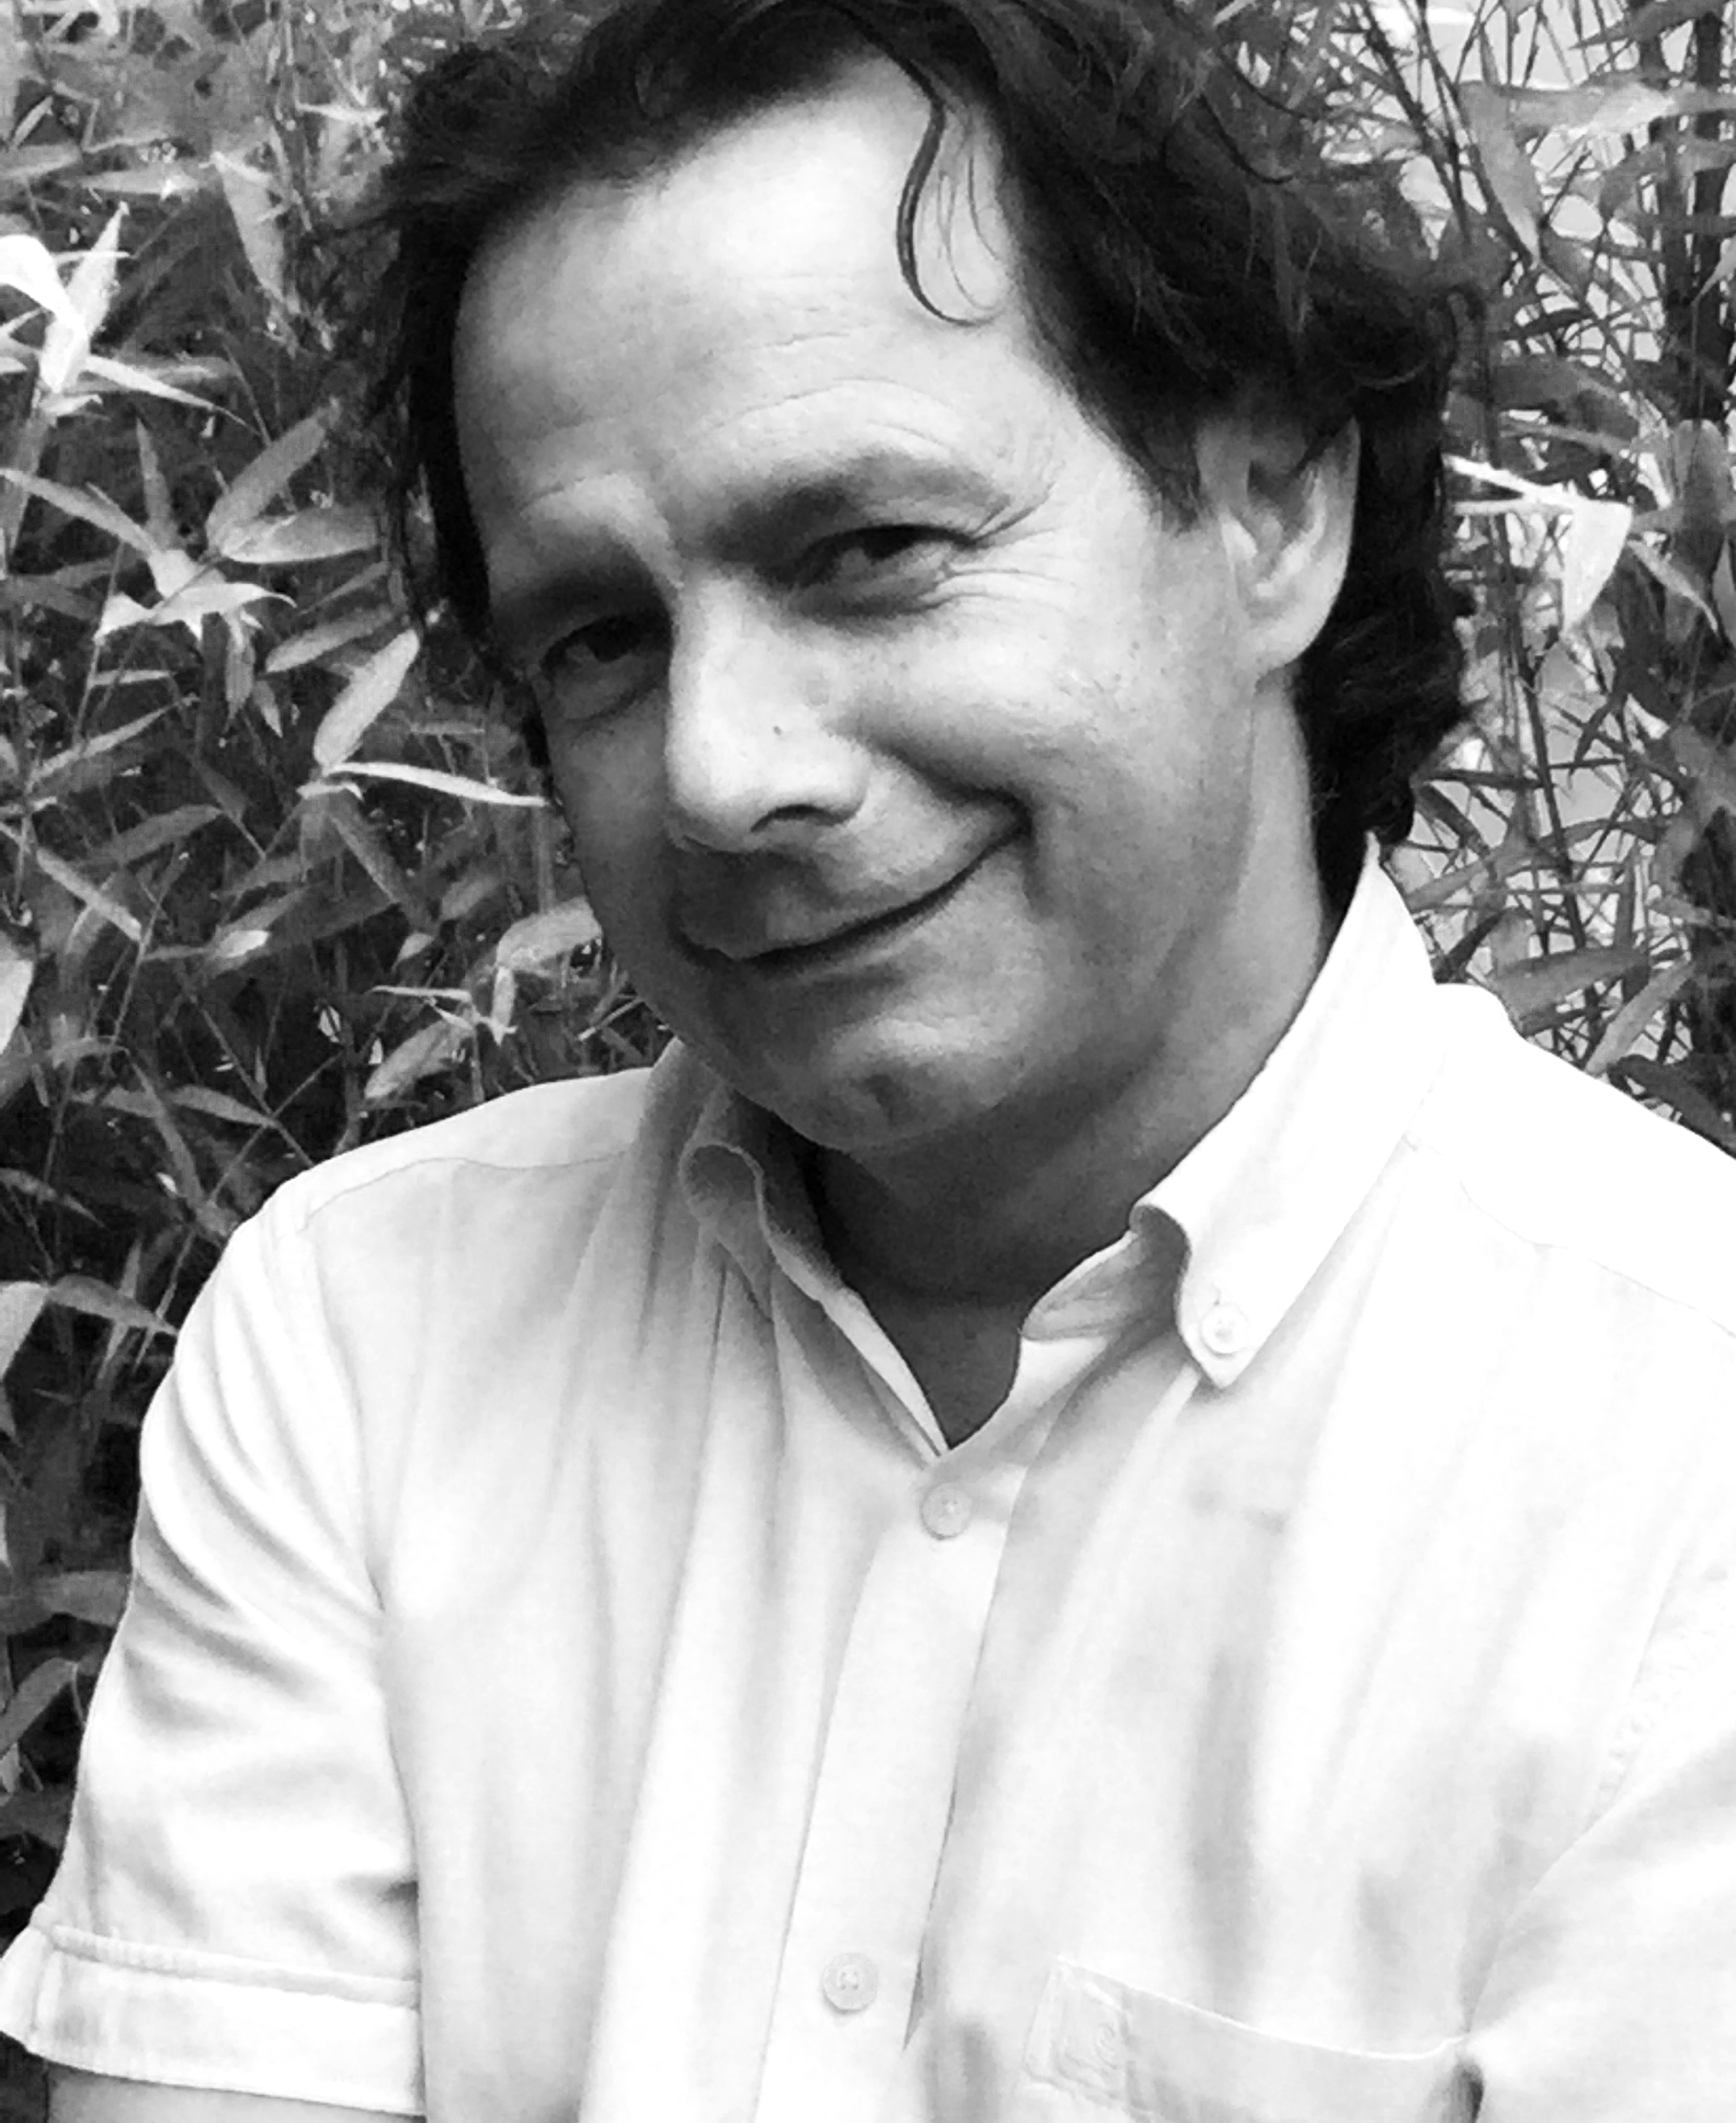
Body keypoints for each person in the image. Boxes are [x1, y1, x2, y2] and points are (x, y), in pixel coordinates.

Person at [5, 0, 1736, 2115]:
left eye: (871, 553)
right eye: (602, 638)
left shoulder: (1683, 1456)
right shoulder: (369, 1344)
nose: (721, 770)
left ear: (1270, 503)